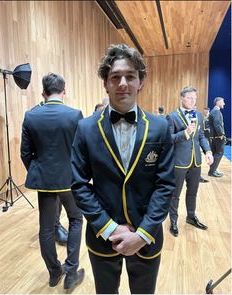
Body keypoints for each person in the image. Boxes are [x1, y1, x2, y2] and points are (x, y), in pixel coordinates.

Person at [71, 44, 175, 294]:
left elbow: (166, 185)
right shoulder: (86, 128)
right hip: (102, 236)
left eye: (130, 76)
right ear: (105, 83)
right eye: (115, 77)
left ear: (141, 82)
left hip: (147, 237)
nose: (123, 83)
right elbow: (79, 184)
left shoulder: (160, 127)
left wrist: (142, 233)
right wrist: (109, 228)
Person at [20, 73, 84, 290]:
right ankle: (71, 271)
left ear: (43, 93)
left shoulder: (31, 116)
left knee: (46, 229)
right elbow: (81, 150)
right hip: (70, 179)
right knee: (76, 219)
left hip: (45, 182)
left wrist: (40, 172)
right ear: (64, 91)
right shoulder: (75, 115)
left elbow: (25, 153)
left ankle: (54, 272)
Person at [167, 86, 213, 237]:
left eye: (195, 98)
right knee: (175, 194)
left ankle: (191, 216)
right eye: (190, 98)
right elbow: (168, 140)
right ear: (182, 98)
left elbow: (201, 137)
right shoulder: (172, 116)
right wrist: (185, 133)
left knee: (193, 192)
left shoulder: (199, 115)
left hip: (196, 162)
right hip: (179, 162)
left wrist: (208, 151)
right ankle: (173, 221)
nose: (193, 101)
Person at [32, 101, 69, 245]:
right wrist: (36, 170)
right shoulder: (34, 113)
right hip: (45, 168)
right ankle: (54, 227)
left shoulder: (64, 113)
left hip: (61, 167)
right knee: (49, 205)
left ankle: (56, 225)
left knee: (59, 200)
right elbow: (27, 150)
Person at [208, 97, 226, 177]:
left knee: (215, 153)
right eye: (223, 102)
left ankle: (213, 170)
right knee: (219, 153)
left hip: (214, 137)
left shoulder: (213, 111)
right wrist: (221, 134)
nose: (224, 103)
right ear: (218, 102)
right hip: (218, 137)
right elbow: (217, 125)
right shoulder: (216, 111)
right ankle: (212, 171)